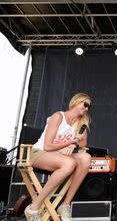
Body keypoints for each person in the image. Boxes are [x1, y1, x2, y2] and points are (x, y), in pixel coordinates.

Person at [24, 93, 92, 221]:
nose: (87, 109)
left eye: (89, 107)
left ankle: (65, 205)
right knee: (69, 164)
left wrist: (77, 140)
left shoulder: (81, 122)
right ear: (76, 102)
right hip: (39, 154)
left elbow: (83, 144)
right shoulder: (58, 117)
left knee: (86, 158)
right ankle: (33, 208)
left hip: (60, 156)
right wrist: (70, 142)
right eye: (85, 105)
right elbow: (48, 146)